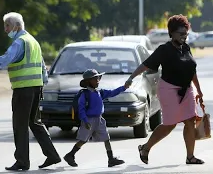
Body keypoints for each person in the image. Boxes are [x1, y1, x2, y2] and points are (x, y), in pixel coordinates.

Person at [0, 12, 61, 171]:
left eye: (7, 26)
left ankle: (22, 161)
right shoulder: (33, 41)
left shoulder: (19, 42)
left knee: (20, 125)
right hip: (36, 87)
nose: (5, 30)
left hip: (23, 90)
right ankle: (52, 155)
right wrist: (42, 84)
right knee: (35, 123)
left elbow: (6, 59)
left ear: (16, 26)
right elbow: (42, 67)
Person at [125, 14, 205, 165]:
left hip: (186, 90)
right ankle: (145, 148)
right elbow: (146, 64)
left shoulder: (186, 48)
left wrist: (199, 90)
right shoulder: (164, 50)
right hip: (168, 89)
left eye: (186, 34)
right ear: (172, 33)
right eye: (181, 34)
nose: (184, 37)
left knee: (190, 121)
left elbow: (192, 71)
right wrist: (131, 77)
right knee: (170, 124)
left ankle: (190, 156)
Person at [63, 69, 130, 167]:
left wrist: (124, 87)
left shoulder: (99, 92)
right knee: (83, 140)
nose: (98, 80)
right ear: (88, 81)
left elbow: (112, 93)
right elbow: (81, 109)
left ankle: (111, 159)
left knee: (106, 138)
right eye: (95, 79)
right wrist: (85, 121)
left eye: (98, 78)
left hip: (99, 119)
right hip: (89, 120)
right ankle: (70, 155)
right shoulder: (84, 94)